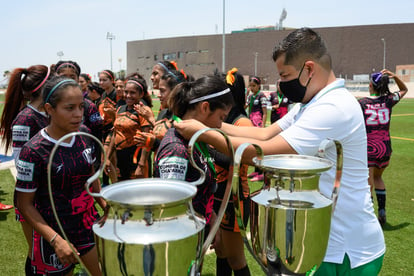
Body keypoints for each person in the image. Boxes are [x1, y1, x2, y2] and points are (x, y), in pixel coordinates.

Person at [175, 27, 385, 275]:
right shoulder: (309, 103)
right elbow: (263, 133)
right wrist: (215, 125)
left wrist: (202, 133)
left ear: (309, 69)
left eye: (284, 75)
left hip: (345, 250)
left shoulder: (333, 107)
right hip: (324, 241)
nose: (281, 84)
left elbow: (263, 153)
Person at [15, 75, 106, 276]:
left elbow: (91, 181)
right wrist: (56, 240)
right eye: (69, 108)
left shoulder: (84, 135)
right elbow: (24, 204)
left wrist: (108, 208)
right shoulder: (33, 151)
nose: (78, 114)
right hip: (54, 235)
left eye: (81, 107)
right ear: (49, 109)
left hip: (86, 225)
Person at [154, 75, 234, 237]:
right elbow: (171, 208)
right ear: (205, 108)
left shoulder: (195, 141)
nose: (220, 125)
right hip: (181, 244)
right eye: (221, 117)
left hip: (194, 235)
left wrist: (210, 216)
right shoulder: (176, 148)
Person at [0, 64, 51, 274]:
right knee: (36, 255)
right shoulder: (25, 118)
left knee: (50, 255)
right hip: (31, 198)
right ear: (44, 85)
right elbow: (22, 163)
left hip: (47, 195)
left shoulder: (46, 112)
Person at [213, 68, 252, 276]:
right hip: (218, 195)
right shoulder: (222, 121)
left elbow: (235, 161)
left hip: (234, 198)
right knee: (221, 251)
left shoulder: (242, 122)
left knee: (236, 259)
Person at [358, 69, 408, 226]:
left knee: (368, 183)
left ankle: (369, 217)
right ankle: (382, 211)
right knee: (379, 178)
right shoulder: (388, 100)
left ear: (371, 86)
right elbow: (404, 90)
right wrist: (395, 77)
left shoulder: (363, 103)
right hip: (385, 147)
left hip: (369, 148)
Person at [104, 76, 152, 180]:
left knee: (139, 191)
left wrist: (141, 164)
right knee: (124, 189)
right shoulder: (120, 109)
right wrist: (107, 158)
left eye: (132, 93)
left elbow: (147, 140)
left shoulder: (143, 111)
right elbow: (115, 134)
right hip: (121, 156)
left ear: (141, 94)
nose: (128, 95)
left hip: (136, 157)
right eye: (126, 92)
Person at [134, 69, 186, 156]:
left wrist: (155, 143)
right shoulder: (164, 112)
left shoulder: (185, 116)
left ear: (176, 91)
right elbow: (162, 134)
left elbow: (179, 149)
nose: (158, 95)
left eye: (162, 91)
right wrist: (150, 118)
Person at [97, 69, 118, 184]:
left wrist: (112, 113)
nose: (101, 83)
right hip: (104, 129)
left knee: (107, 159)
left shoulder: (117, 94)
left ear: (112, 80)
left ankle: (114, 185)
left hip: (113, 129)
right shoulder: (103, 94)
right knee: (110, 160)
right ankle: (110, 183)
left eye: (104, 80)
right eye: (100, 80)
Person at [245, 76, 267, 182]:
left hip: (258, 124)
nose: (252, 88)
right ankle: (256, 170)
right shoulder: (250, 97)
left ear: (259, 85)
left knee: (260, 149)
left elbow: (265, 113)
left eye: (254, 86)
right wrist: (246, 94)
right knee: (254, 149)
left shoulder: (261, 96)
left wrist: (262, 126)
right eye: (250, 86)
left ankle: (261, 172)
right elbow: (245, 107)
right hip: (251, 124)